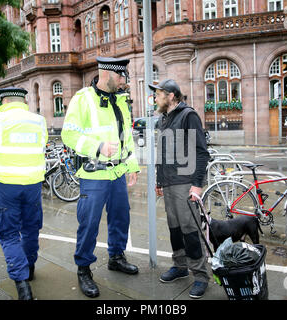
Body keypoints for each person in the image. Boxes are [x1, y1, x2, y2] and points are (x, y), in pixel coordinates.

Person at [61, 56, 140, 298]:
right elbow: (68, 134)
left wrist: (133, 166)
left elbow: (127, 136)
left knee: (120, 217)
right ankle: (83, 268)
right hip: (93, 174)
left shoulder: (121, 100)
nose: (123, 81)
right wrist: (98, 147)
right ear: (106, 74)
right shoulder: (82, 99)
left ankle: (116, 257)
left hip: (116, 173)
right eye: (119, 76)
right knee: (89, 223)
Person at [149, 79, 211, 299]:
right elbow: (163, 152)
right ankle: (180, 265)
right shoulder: (165, 118)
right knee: (174, 227)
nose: (155, 98)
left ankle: (201, 275)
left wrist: (197, 184)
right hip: (168, 183)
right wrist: (159, 181)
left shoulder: (188, 116)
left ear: (171, 96)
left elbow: (202, 152)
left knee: (190, 229)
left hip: (185, 183)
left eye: (158, 94)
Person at [0, 87, 48, 300]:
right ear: (23, 101)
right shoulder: (38, 120)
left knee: (8, 233)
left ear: (4, 101)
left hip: (6, 184)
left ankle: (21, 283)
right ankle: (29, 268)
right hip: (32, 184)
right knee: (30, 228)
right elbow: (41, 147)